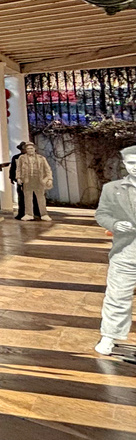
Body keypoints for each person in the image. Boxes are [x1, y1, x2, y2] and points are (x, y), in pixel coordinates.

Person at [94, 144, 136, 356]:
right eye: (131, 163)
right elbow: (102, 214)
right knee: (117, 295)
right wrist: (114, 224)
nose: (135, 167)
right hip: (125, 252)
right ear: (124, 164)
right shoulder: (112, 189)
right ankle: (109, 336)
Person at [15, 142, 54, 221]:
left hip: (38, 180)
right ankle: (28, 214)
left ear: (34, 149)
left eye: (31, 148)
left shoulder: (41, 158)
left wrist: (49, 179)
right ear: (26, 150)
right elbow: (18, 169)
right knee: (27, 198)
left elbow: (47, 169)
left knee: (41, 198)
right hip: (27, 180)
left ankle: (44, 214)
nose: (30, 150)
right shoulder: (22, 158)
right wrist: (18, 178)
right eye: (28, 149)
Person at [9, 142, 26, 219]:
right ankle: (22, 213)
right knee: (21, 197)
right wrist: (12, 177)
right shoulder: (16, 157)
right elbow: (13, 168)